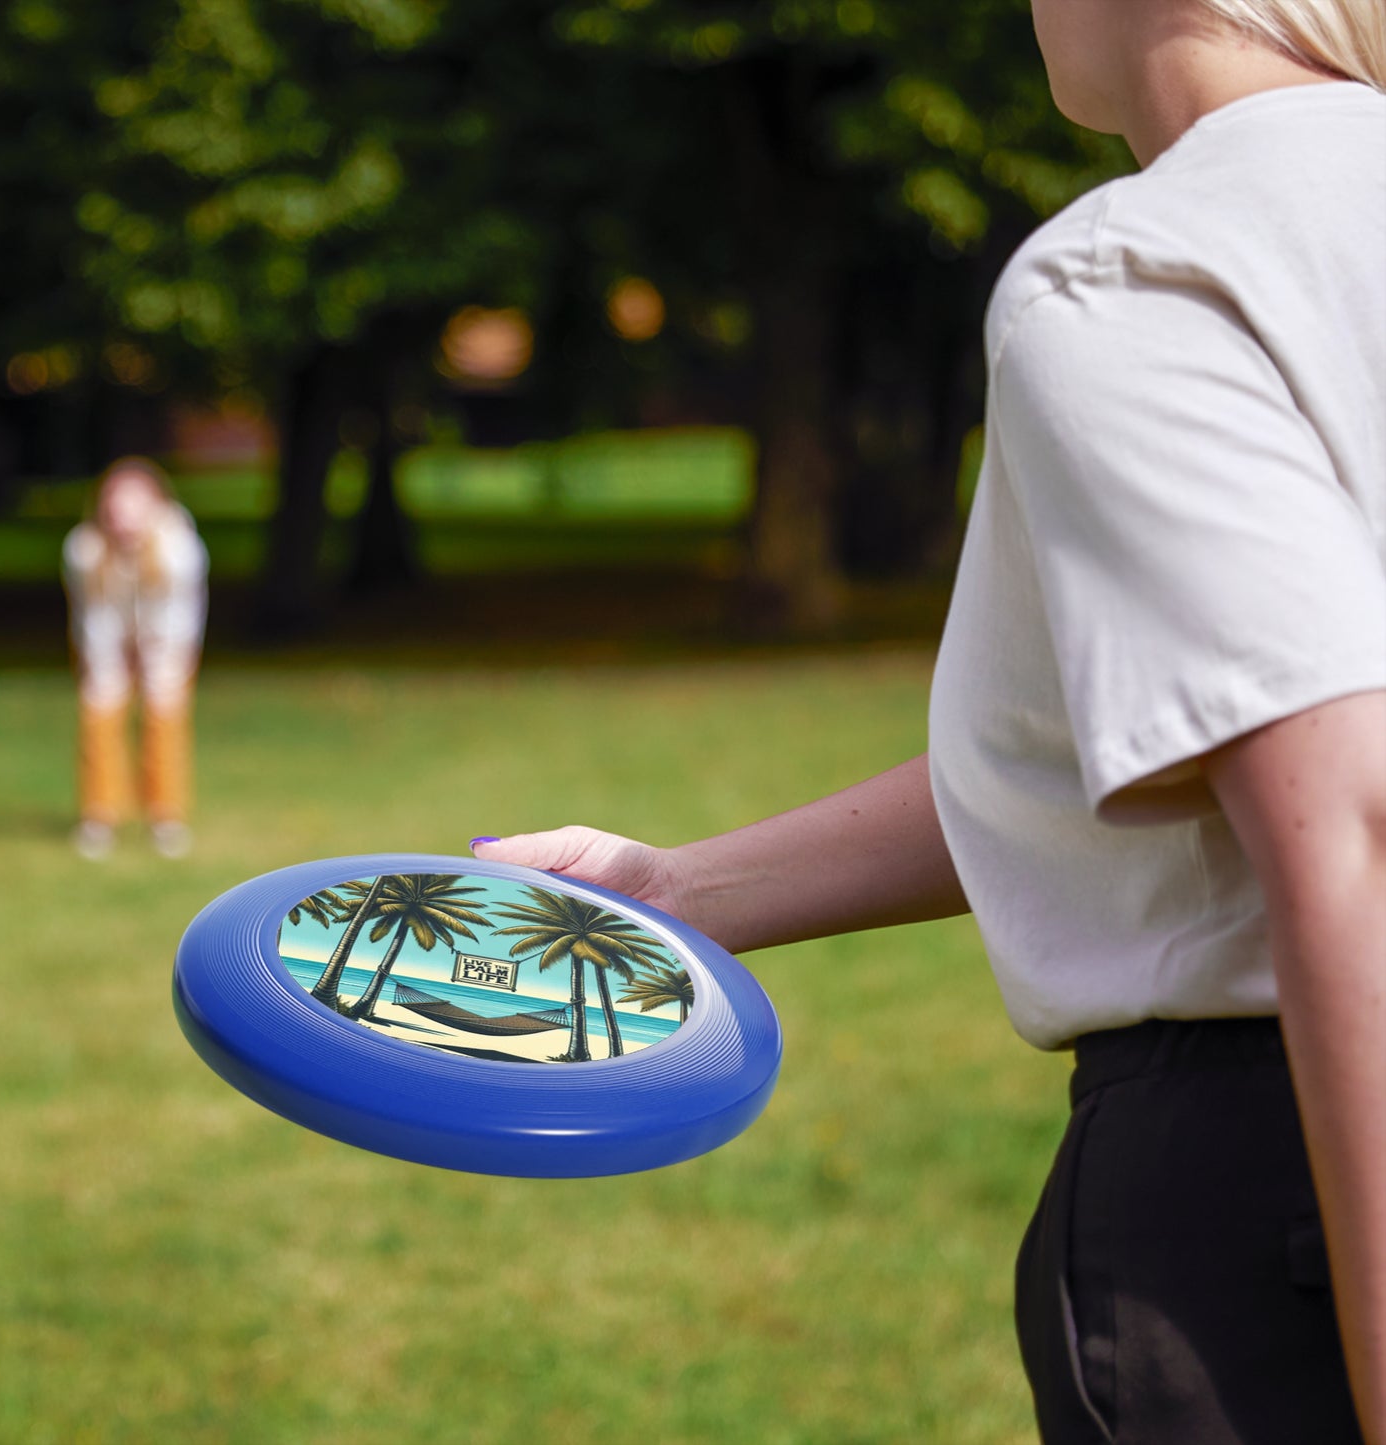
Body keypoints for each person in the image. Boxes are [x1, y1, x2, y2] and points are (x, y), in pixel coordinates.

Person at [470, 2, 1386, 1440]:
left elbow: (1349, 822)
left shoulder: (1145, 269)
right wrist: (680, 891)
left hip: (1283, 1192)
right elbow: (1163, 741)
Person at [62, 457, 209, 860]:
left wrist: (156, 659)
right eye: (115, 506)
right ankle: (99, 816)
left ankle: (166, 818)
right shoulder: (84, 549)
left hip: (167, 641)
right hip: (106, 640)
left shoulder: (180, 549)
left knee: (164, 717)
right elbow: (93, 616)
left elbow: (180, 616)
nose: (123, 517)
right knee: (99, 712)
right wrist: (109, 664)